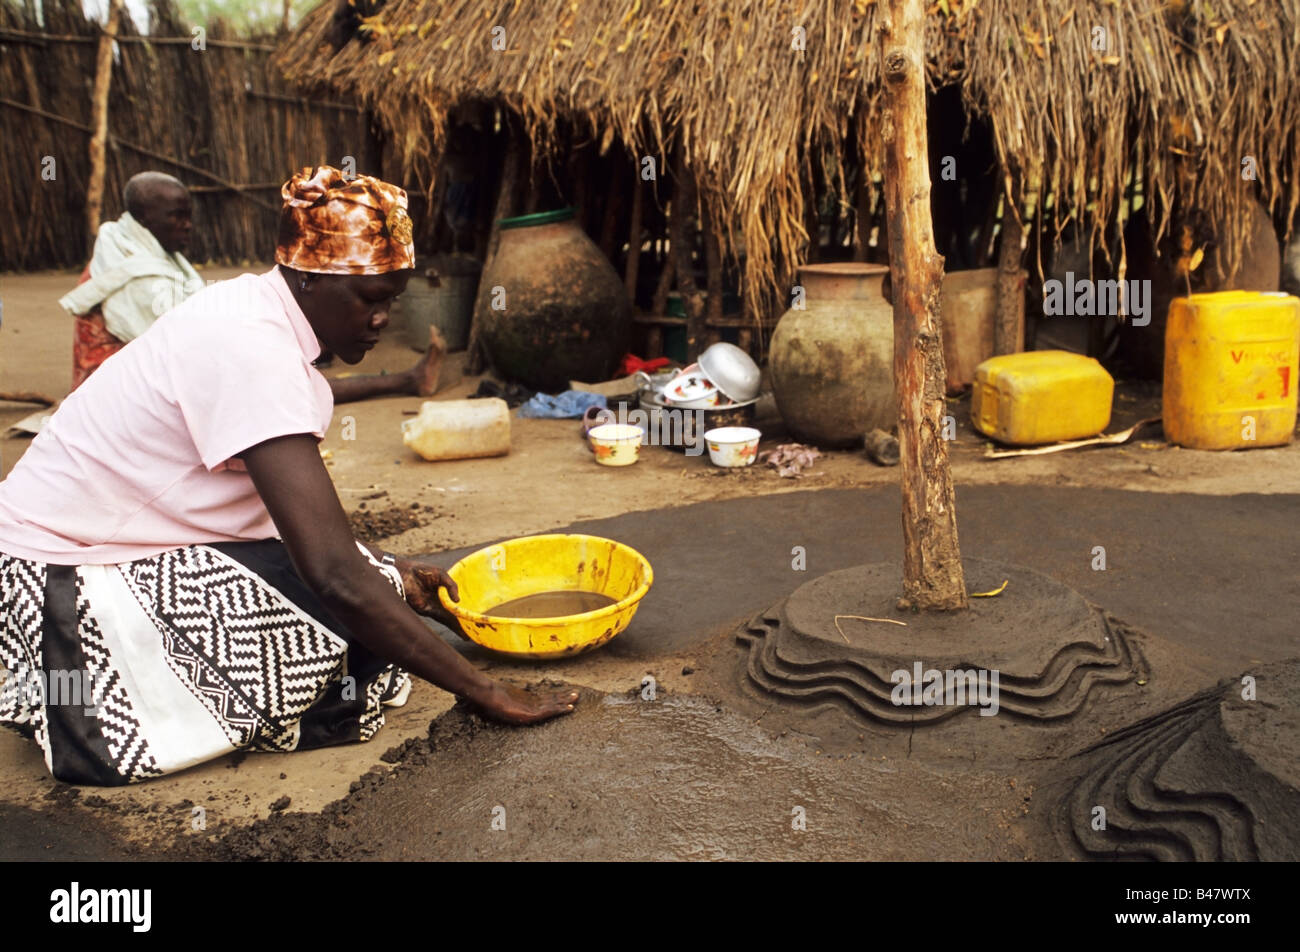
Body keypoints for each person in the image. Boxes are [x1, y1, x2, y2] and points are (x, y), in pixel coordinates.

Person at [0, 166, 577, 786]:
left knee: (369, 601)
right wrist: (486, 692)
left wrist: (390, 567)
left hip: (91, 547)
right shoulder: (251, 349)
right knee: (335, 629)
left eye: (391, 299)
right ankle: (103, 713)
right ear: (307, 277)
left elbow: (300, 534)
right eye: (370, 299)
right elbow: (331, 570)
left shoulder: (252, 307)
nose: (383, 319)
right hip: (52, 583)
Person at [59, 172, 203, 390]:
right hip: (109, 393)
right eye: (176, 216)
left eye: (188, 216)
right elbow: (178, 347)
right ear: (144, 218)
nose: (187, 225)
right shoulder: (133, 272)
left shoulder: (127, 250)